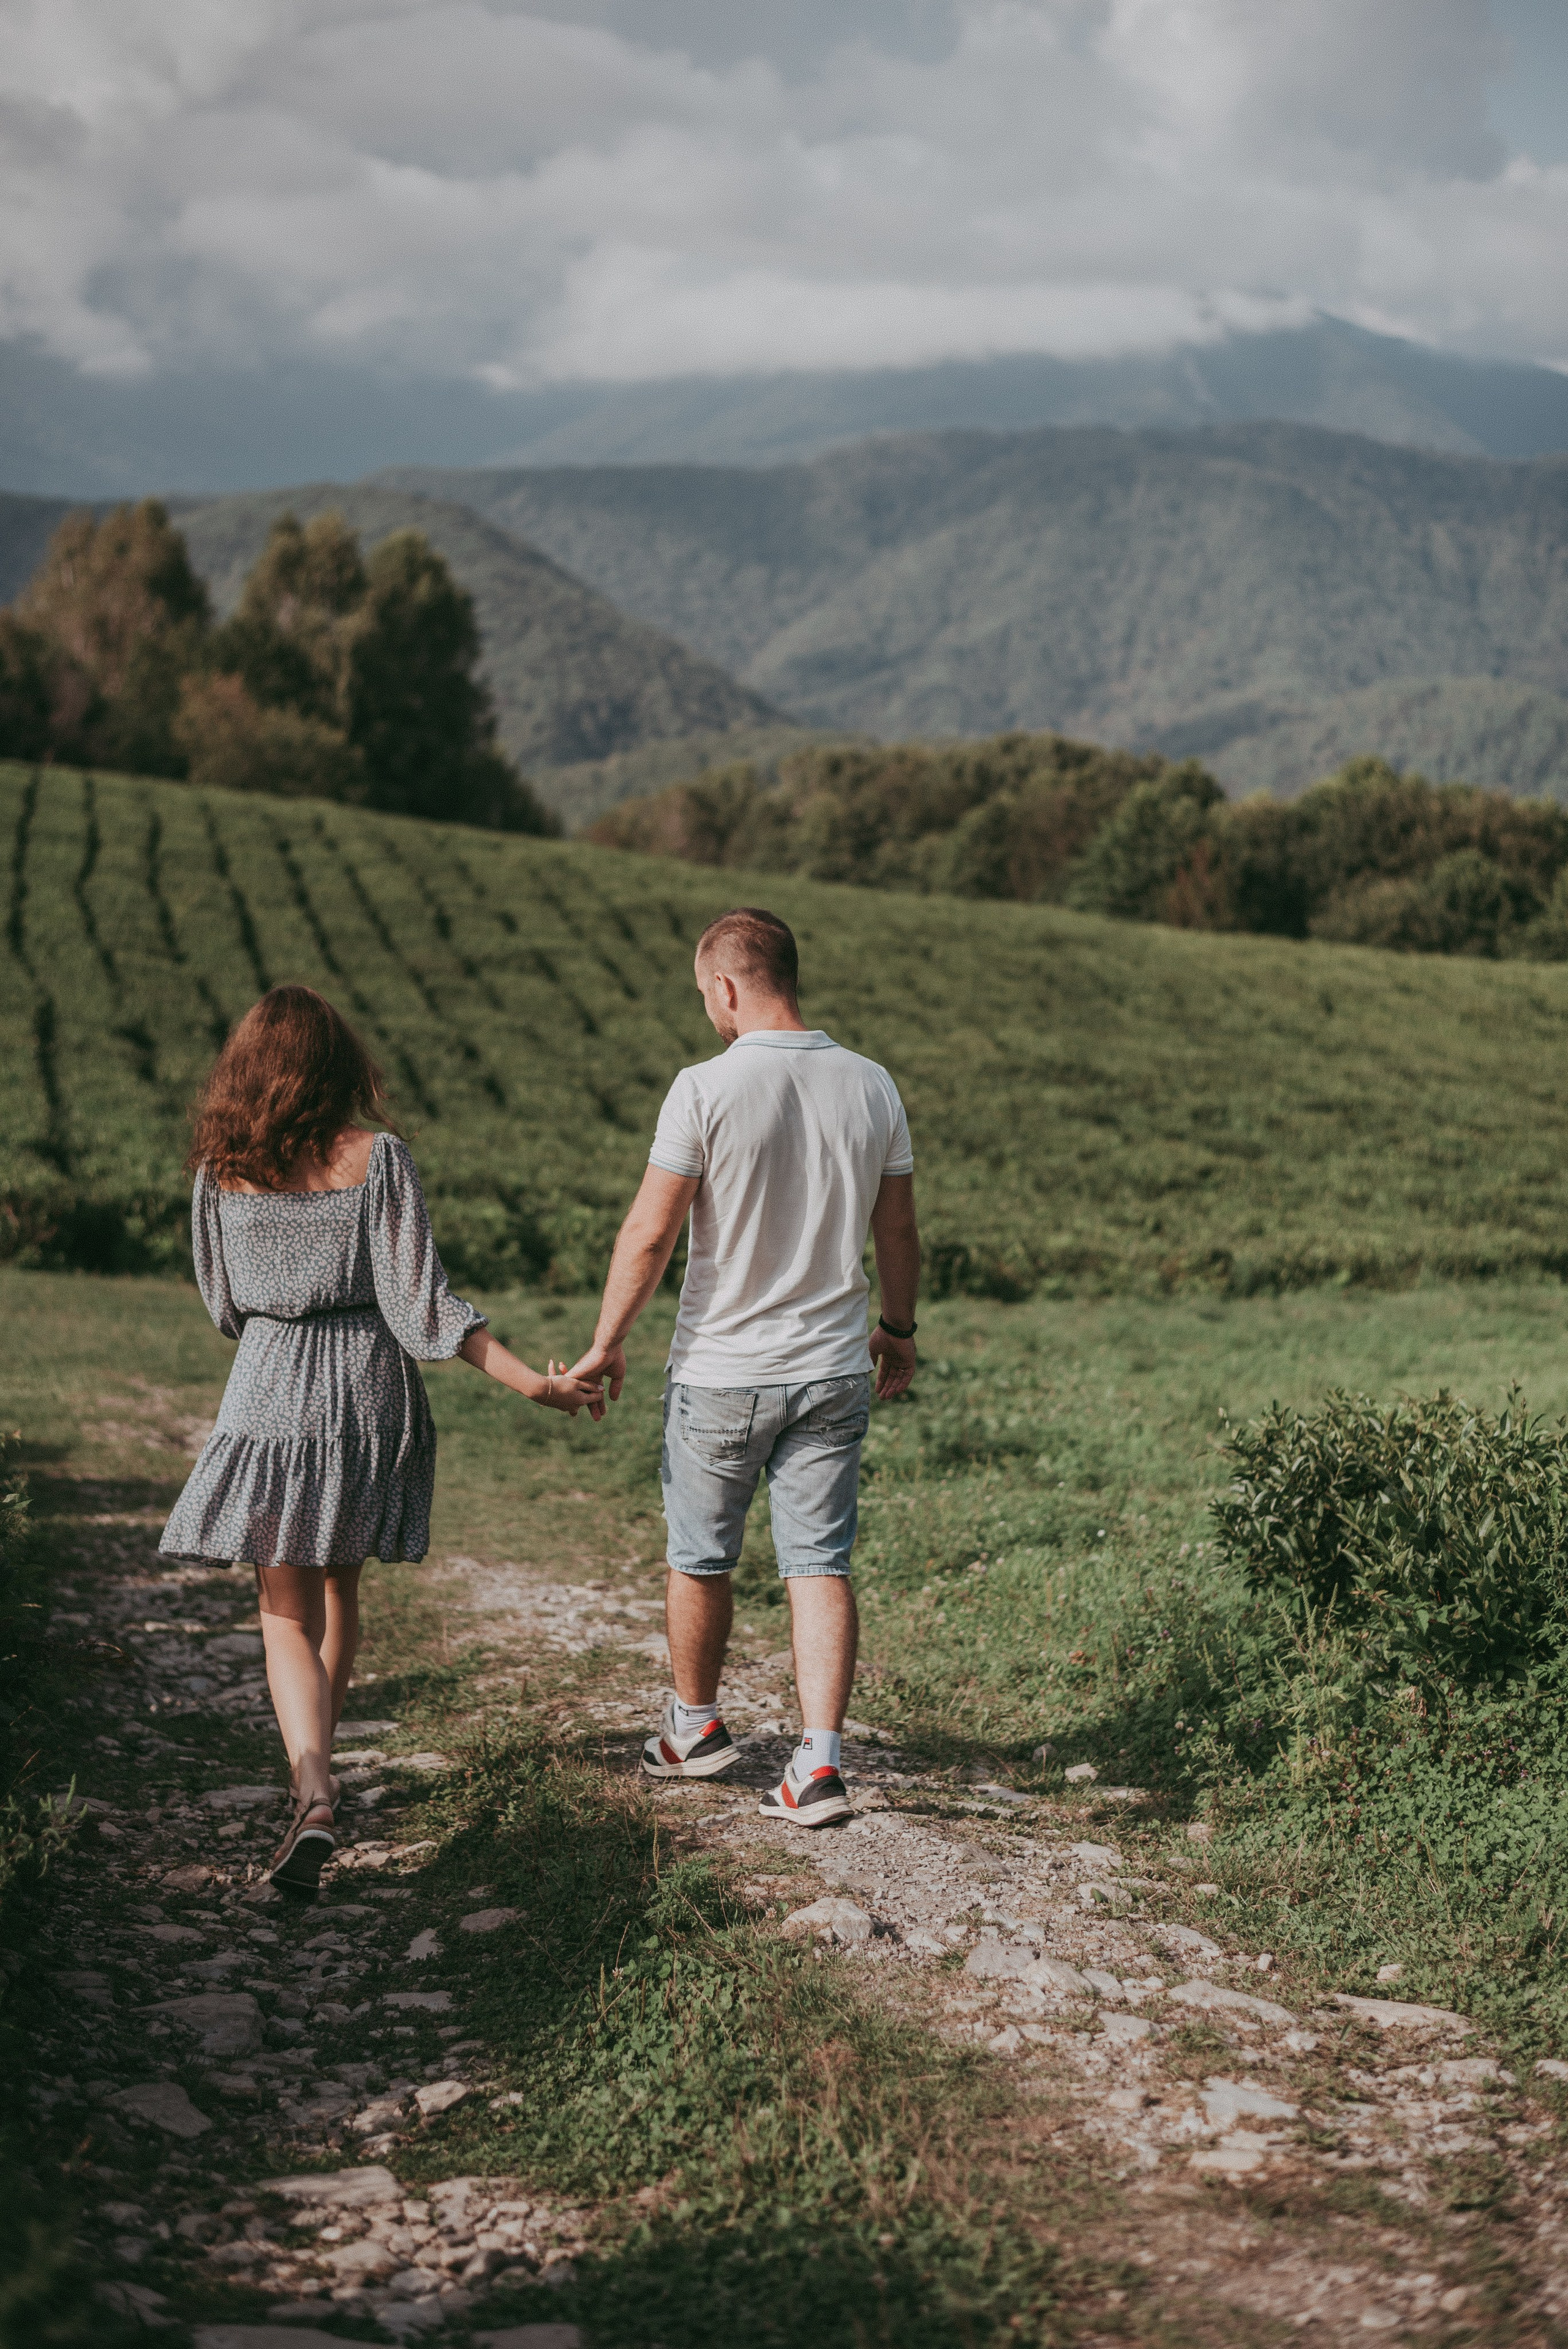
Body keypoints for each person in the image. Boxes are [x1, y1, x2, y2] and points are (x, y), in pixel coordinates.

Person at [160, 985, 601, 1896]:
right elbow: (426, 1307)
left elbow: (220, 1301)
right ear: (336, 1065)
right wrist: (538, 1385)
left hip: (269, 1384)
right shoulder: (379, 1160)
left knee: (280, 1606)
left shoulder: (220, 1171)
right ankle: (322, 1785)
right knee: (339, 1587)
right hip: (367, 1388)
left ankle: (312, 1787)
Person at [570, 907, 920, 1827]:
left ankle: (694, 1729)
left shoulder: (703, 1088)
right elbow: (899, 1230)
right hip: (836, 1367)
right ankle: (819, 1764)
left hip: (722, 1369)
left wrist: (608, 1343)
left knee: (700, 1554)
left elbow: (650, 1235)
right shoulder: (874, 1085)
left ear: (725, 986)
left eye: (705, 996)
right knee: (818, 1563)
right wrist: (899, 1326)